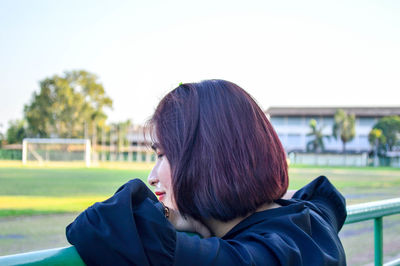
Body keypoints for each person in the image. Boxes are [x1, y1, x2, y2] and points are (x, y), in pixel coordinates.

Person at [66, 80, 347, 265]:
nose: (152, 176)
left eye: (163, 155)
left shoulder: (249, 259)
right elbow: (326, 197)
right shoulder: (313, 220)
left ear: (209, 159)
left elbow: (101, 225)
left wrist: (175, 217)